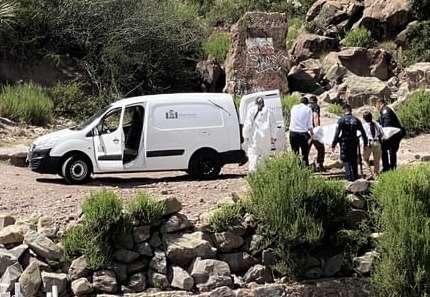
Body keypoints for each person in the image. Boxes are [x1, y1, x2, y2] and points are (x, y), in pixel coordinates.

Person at [331, 104, 368, 182]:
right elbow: (363, 133)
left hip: (345, 142)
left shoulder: (341, 120)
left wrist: (333, 144)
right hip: (354, 142)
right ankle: (355, 176)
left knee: (346, 160)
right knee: (354, 159)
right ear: (350, 110)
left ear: (344, 111)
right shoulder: (356, 120)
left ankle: (349, 178)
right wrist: (365, 143)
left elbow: (337, 133)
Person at [243, 97, 277, 172]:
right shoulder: (269, 111)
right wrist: (273, 137)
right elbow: (273, 125)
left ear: (255, 103)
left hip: (254, 138)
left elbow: (248, 124)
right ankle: (263, 173)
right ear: (263, 103)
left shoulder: (251, 111)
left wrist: (245, 135)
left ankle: (253, 175)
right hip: (265, 139)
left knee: (253, 157)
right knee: (265, 157)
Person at [375, 98, 405, 171]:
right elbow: (378, 121)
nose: (376, 108)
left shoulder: (385, 110)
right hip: (394, 133)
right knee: (389, 150)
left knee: (388, 149)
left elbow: (387, 124)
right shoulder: (385, 110)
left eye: (376, 106)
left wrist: (383, 136)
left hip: (394, 133)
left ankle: (388, 167)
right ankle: (390, 167)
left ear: (379, 104)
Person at [289, 96, 314, 166]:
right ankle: (305, 168)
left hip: (292, 133)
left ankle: (297, 168)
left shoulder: (293, 107)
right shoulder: (308, 109)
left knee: (295, 153)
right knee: (304, 153)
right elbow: (309, 125)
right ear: (307, 103)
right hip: (303, 134)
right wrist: (312, 133)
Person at [362, 111, 384, 180]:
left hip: (369, 143)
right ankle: (376, 174)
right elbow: (382, 133)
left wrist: (364, 145)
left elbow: (363, 136)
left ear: (364, 119)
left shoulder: (364, 126)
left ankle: (369, 174)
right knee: (377, 160)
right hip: (377, 142)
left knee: (365, 159)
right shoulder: (376, 124)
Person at [308, 95, 326, 172]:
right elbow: (315, 117)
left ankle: (304, 166)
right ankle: (320, 164)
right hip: (313, 131)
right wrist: (317, 128)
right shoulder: (315, 106)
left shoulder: (306, 107)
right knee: (321, 148)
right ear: (316, 101)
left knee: (306, 150)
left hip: (305, 131)